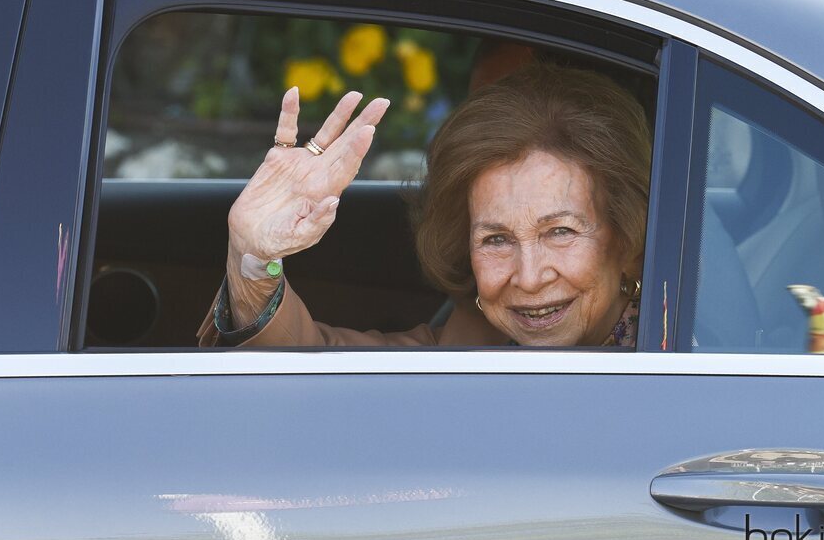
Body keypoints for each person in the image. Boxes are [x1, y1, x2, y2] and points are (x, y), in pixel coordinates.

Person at [197, 63, 651, 348]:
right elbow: (317, 368)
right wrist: (253, 263)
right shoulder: (479, 339)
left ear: (626, 240)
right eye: (496, 239)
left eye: (560, 232)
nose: (529, 277)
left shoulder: (693, 348)